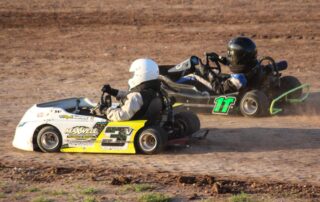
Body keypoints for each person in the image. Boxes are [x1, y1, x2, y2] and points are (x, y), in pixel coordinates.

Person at [182, 36, 257, 94]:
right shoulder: (252, 66)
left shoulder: (237, 80)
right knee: (215, 72)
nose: (229, 57)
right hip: (229, 84)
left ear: (240, 57)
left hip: (220, 89)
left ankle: (175, 88)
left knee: (194, 75)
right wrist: (218, 58)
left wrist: (207, 72)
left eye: (230, 55)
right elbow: (235, 62)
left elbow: (219, 89)